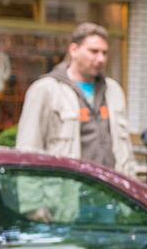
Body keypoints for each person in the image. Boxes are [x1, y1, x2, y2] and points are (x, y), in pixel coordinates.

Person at [14, 22, 135, 177]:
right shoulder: (46, 90)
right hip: (66, 194)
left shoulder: (113, 90)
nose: (100, 59)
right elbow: (27, 151)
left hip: (110, 191)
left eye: (104, 53)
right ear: (74, 50)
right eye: (94, 51)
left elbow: (125, 148)